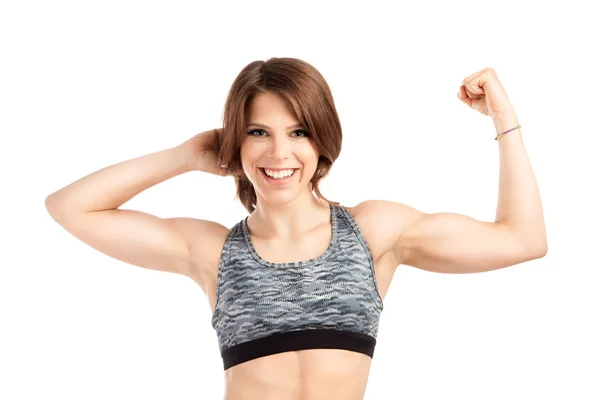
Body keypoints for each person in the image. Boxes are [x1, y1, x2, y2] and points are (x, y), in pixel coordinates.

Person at [45, 57, 548, 400]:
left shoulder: (373, 232)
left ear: (321, 141)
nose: (279, 154)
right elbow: (70, 208)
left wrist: (503, 116)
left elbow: (523, 240)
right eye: (258, 133)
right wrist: (183, 157)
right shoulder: (212, 251)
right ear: (236, 145)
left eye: (298, 132)